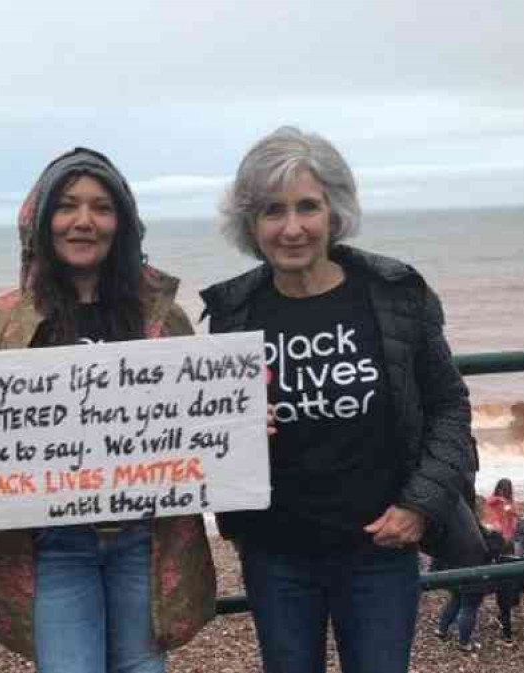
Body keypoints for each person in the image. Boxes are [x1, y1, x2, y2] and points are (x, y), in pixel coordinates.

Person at [0, 148, 216, 672]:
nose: (83, 221)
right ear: (41, 222)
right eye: (66, 206)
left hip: (145, 539)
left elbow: (198, 421)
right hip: (48, 545)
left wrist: (236, 428)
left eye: (101, 207)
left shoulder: (163, 317)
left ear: (122, 224)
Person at [200, 126, 476, 673]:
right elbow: (207, 435)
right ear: (250, 223)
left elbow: (449, 405)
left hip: (379, 550)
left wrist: (420, 505)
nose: (293, 228)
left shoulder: (395, 294)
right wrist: (233, 430)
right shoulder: (234, 312)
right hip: (275, 554)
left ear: (335, 211)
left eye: (308, 206)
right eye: (273, 211)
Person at [485, 478, 519, 544]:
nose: (502, 492)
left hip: (508, 525)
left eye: (505, 490)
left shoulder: (510, 501)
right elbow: (489, 504)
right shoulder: (493, 499)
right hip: (496, 523)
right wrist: (499, 500)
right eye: (501, 489)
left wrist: (512, 512)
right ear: (497, 489)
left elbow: (514, 513)